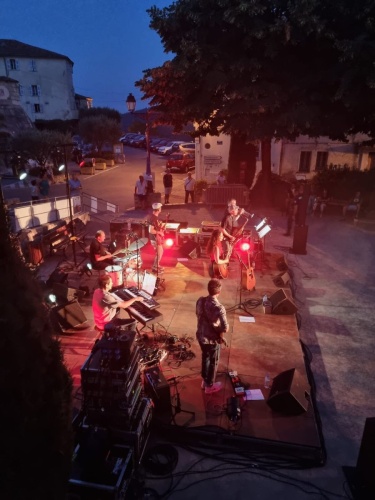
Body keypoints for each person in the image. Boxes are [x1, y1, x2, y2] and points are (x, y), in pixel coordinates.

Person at [196, 279, 229, 394]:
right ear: (219, 292)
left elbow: (198, 314)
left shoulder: (200, 300)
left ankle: (204, 381)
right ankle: (209, 386)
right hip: (211, 340)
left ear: (208, 289)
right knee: (213, 360)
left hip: (200, 336)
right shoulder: (219, 308)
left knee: (205, 357)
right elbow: (225, 328)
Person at [148, 202, 165, 273]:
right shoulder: (153, 218)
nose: (161, 209)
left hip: (156, 238)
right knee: (159, 253)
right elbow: (150, 230)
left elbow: (155, 227)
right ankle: (155, 268)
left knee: (159, 253)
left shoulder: (154, 217)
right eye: (160, 208)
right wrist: (159, 232)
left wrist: (161, 227)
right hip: (155, 239)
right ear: (158, 209)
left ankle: (156, 265)